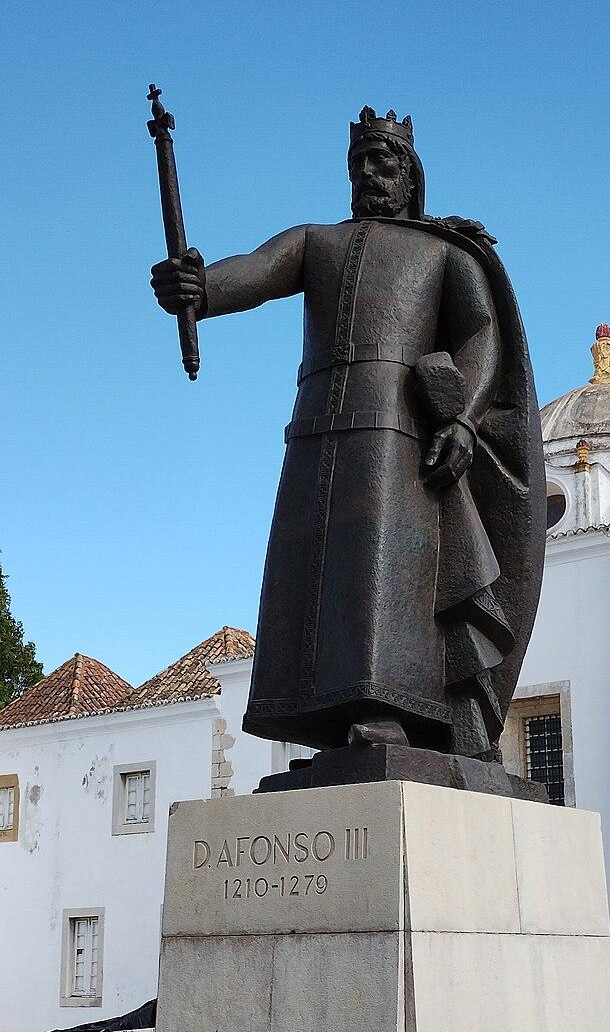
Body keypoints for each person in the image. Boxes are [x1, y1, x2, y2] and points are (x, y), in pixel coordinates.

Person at [151, 108, 545, 760]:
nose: (368, 173)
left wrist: (464, 419)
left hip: (401, 437)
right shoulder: (316, 242)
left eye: (383, 162)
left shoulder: (447, 252)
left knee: (384, 578)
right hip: (315, 433)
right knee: (315, 579)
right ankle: (331, 715)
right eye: (359, 163)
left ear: (410, 174)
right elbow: (253, 270)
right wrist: (199, 286)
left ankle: (391, 711)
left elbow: (480, 337)